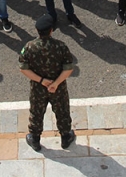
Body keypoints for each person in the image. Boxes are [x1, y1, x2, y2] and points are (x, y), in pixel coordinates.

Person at [19, 13, 76, 153]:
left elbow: (23, 68)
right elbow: (68, 68)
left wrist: (42, 81)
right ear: (51, 30)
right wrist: (55, 83)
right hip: (58, 88)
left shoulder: (29, 47)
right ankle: (65, 138)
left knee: (36, 112)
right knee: (62, 111)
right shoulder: (61, 46)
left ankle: (35, 139)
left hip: (38, 87)